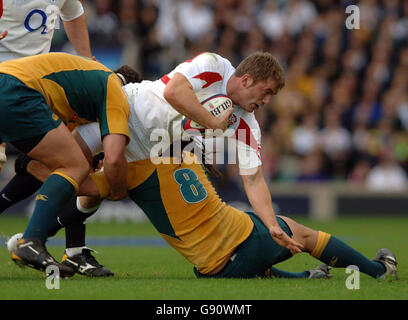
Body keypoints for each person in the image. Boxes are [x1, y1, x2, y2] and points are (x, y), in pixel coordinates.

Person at [22, 150, 398, 280]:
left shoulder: (125, 169)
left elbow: (81, 191)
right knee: (303, 234)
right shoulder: (180, 148)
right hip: (244, 239)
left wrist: (39, 168)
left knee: (208, 262)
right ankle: (379, 271)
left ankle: (306, 277)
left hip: (214, 265)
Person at [0, 52, 130, 277]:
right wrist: (115, 190)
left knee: (69, 166)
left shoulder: (81, 89)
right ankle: (32, 241)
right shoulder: (116, 91)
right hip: (16, 89)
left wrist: (31, 165)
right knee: (74, 167)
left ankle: (66, 249)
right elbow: (114, 158)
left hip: (10, 84)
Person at [0, 0, 93, 172]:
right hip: (6, 82)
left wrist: (87, 60)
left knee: (66, 164)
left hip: (33, 88)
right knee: (72, 165)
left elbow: (74, 12)